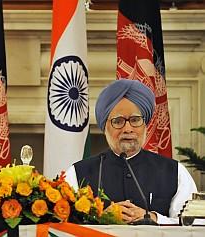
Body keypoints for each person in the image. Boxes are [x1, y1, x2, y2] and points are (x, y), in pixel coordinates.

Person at [65, 79, 198, 225]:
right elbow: (59, 226)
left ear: (145, 125)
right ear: (104, 127)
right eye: (118, 121)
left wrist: (153, 218)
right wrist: (101, 217)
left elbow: (193, 225)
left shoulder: (175, 172)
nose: (128, 129)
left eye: (135, 120)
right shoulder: (77, 173)